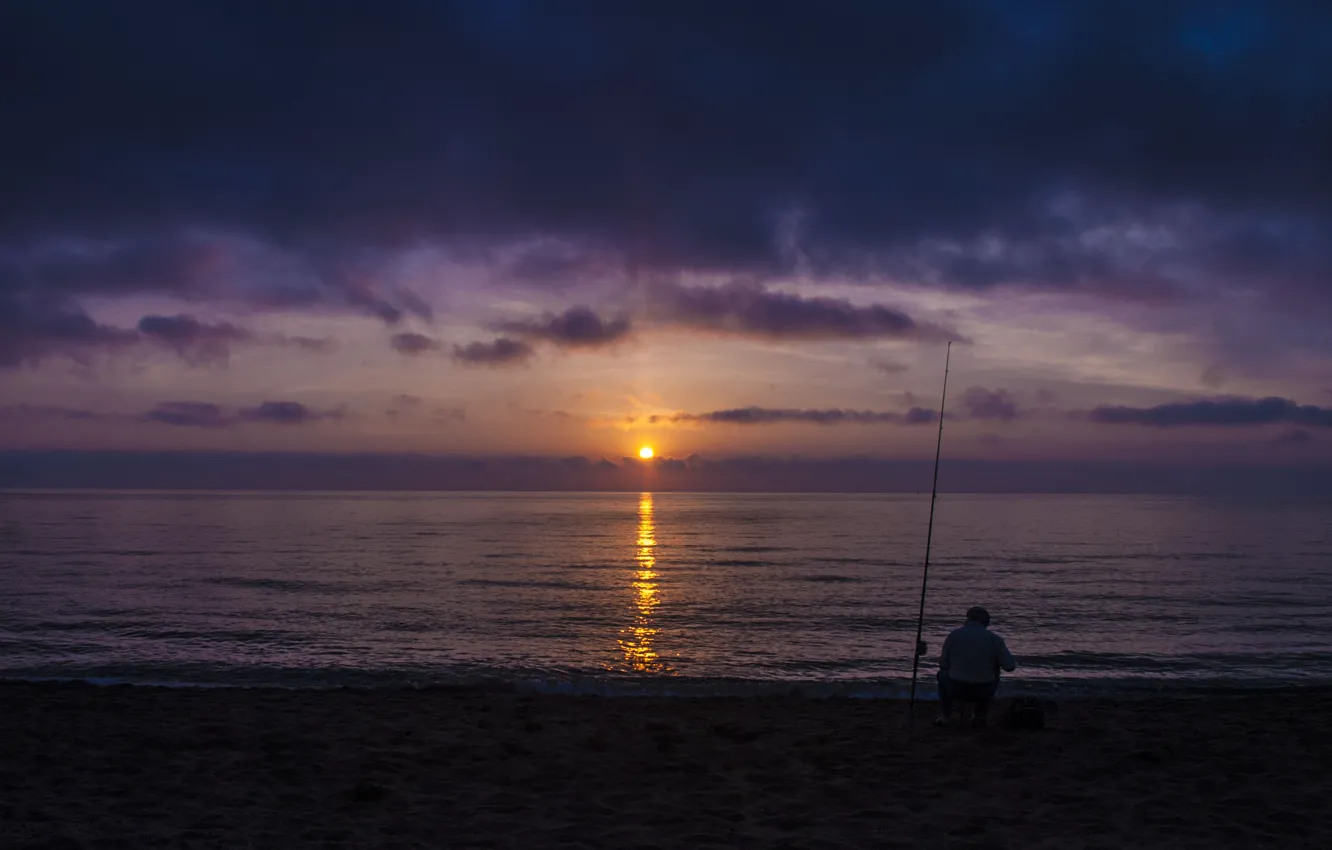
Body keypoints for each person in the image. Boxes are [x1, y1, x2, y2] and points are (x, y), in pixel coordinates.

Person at [934, 606, 1016, 727]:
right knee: (995, 675)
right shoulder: (995, 640)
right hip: (983, 690)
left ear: (968, 619)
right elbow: (1010, 666)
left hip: (956, 688)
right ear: (985, 622)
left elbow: (943, 665)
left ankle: (947, 715)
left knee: (941, 675)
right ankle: (980, 715)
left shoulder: (953, 636)